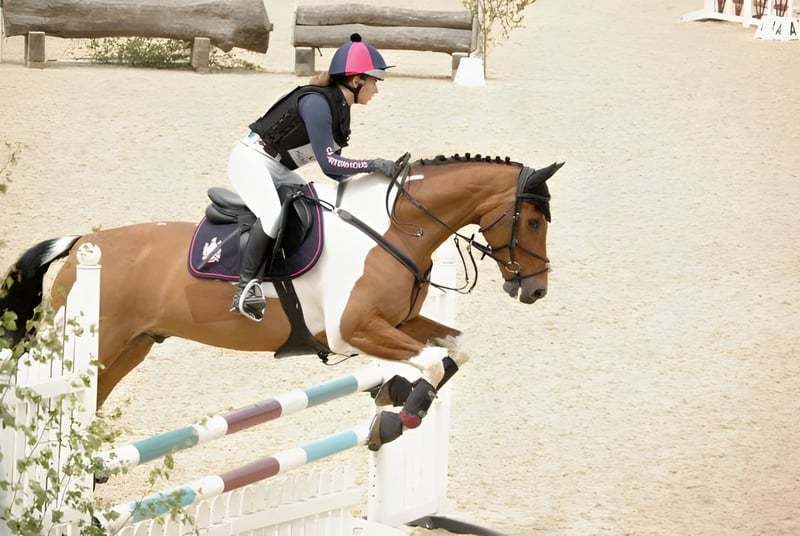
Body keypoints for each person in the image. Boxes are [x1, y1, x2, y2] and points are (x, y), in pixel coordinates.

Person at [227, 33, 400, 322]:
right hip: (251, 160)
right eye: (374, 81)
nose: (376, 89)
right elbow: (329, 161)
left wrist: (371, 179)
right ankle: (246, 287)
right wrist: (374, 165)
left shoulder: (341, 108)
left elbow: (333, 172)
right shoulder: (318, 104)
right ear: (356, 80)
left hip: (279, 168)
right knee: (272, 216)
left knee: (319, 204)